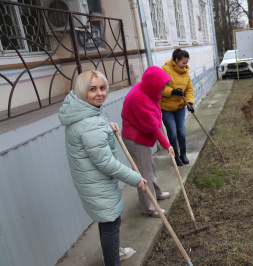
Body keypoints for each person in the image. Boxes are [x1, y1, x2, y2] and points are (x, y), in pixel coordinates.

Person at [58, 70, 147, 266]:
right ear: (82, 92)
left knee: (107, 222)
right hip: (98, 184)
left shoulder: (81, 112)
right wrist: (135, 178)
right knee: (111, 225)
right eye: (92, 89)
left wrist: (106, 125)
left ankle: (111, 254)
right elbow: (106, 162)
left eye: (102, 88)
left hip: (91, 182)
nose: (99, 93)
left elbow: (92, 130)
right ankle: (112, 260)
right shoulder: (90, 124)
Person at [121, 66, 175, 218]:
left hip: (142, 135)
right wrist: (167, 145)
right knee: (143, 173)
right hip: (136, 139)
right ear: (154, 84)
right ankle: (149, 207)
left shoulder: (147, 89)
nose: (163, 90)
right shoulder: (139, 98)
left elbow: (154, 111)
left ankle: (156, 193)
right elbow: (153, 127)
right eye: (162, 87)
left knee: (149, 167)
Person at [160, 48, 195, 166]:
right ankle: (175, 155)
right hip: (167, 108)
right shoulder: (165, 69)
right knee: (172, 131)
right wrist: (173, 91)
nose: (185, 66)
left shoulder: (186, 72)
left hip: (180, 106)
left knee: (181, 131)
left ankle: (183, 154)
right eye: (183, 63)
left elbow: (189, 89)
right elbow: (160, 87)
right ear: (176, 60)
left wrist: (190, 103)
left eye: (186, 63)